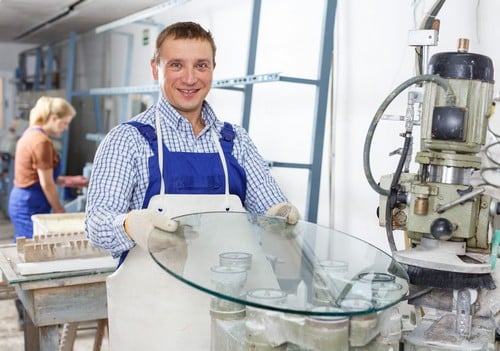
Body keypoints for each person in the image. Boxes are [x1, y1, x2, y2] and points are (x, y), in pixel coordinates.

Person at [85, 21, 299, 259]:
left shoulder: (236, 140)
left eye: (201, 65)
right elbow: (96, 224)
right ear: (156, 68)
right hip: (150, 292)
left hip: (227, 287)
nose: (189, 78)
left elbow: (269, 207)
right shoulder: (127, 140)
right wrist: (128, 224)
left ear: (213, 69)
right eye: (176, 65)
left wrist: (279, 213)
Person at [8, 96, 87, 241]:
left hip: (24, 200)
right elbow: (47, 184)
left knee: (23, 247)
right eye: (64, 123)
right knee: (32, 248)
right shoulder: (41, 142)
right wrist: (59, 209)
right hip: (30, 203)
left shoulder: (30, 134)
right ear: (53, 118)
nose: (66, 128)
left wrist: (70, 180)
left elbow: (37, 176)